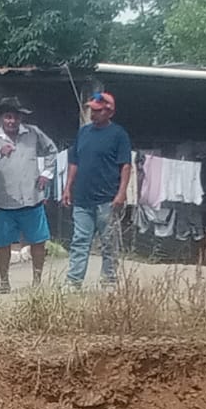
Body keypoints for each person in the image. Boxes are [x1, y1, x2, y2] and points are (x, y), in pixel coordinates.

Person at [0, 96, 57, 294]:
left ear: (21, 118)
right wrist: (0, 152)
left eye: (15, 117)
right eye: (8, 117)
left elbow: (51, 150)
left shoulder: (33, 133)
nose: (12, 121)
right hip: (5, 201)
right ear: (1, 118)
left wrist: (46, 174)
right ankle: (4, 282)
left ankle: (37, 281)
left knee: (38, 241)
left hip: (32, 198)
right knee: (3, 244)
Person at [63, 92, 131, 288]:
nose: (93, 114)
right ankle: (73, 281)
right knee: (79, 241)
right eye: (92, 110)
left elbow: (125, 165)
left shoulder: (118, 135)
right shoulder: (84, 132)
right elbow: (74, 161)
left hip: (107, 200)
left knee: (109, 243)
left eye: (98, 110)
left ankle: (109, 281)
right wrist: (68, 187)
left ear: (109, 112)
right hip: (82, 198)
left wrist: (121, 193)